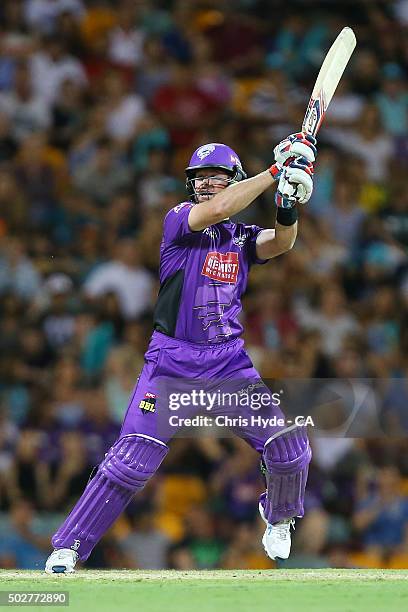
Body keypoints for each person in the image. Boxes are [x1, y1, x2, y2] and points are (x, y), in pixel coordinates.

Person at [45, 133, 316, 574]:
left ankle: (280, 517)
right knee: (131, 461)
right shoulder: (179, 220)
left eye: (218, 176)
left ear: (235, 177)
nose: (208, 184)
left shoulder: (241, 237)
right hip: (171, 363)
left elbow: (282, 242)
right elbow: (221, 208)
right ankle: (69, 547)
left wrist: (287, 199)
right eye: (201, 178)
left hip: (227, 364)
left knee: (289, 448)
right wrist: (275, 171)